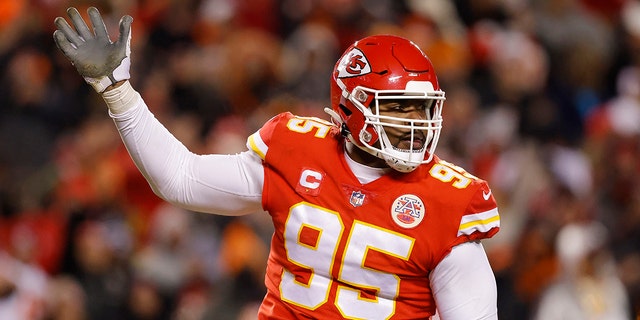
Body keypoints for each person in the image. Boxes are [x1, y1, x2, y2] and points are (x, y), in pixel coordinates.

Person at [53, 7, 500, 319]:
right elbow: (181, 179)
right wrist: (118, 92)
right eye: (399, 108)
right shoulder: (296, 152)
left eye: (423, 110)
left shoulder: (450, 201)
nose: (416, 124)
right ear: (352, 106)